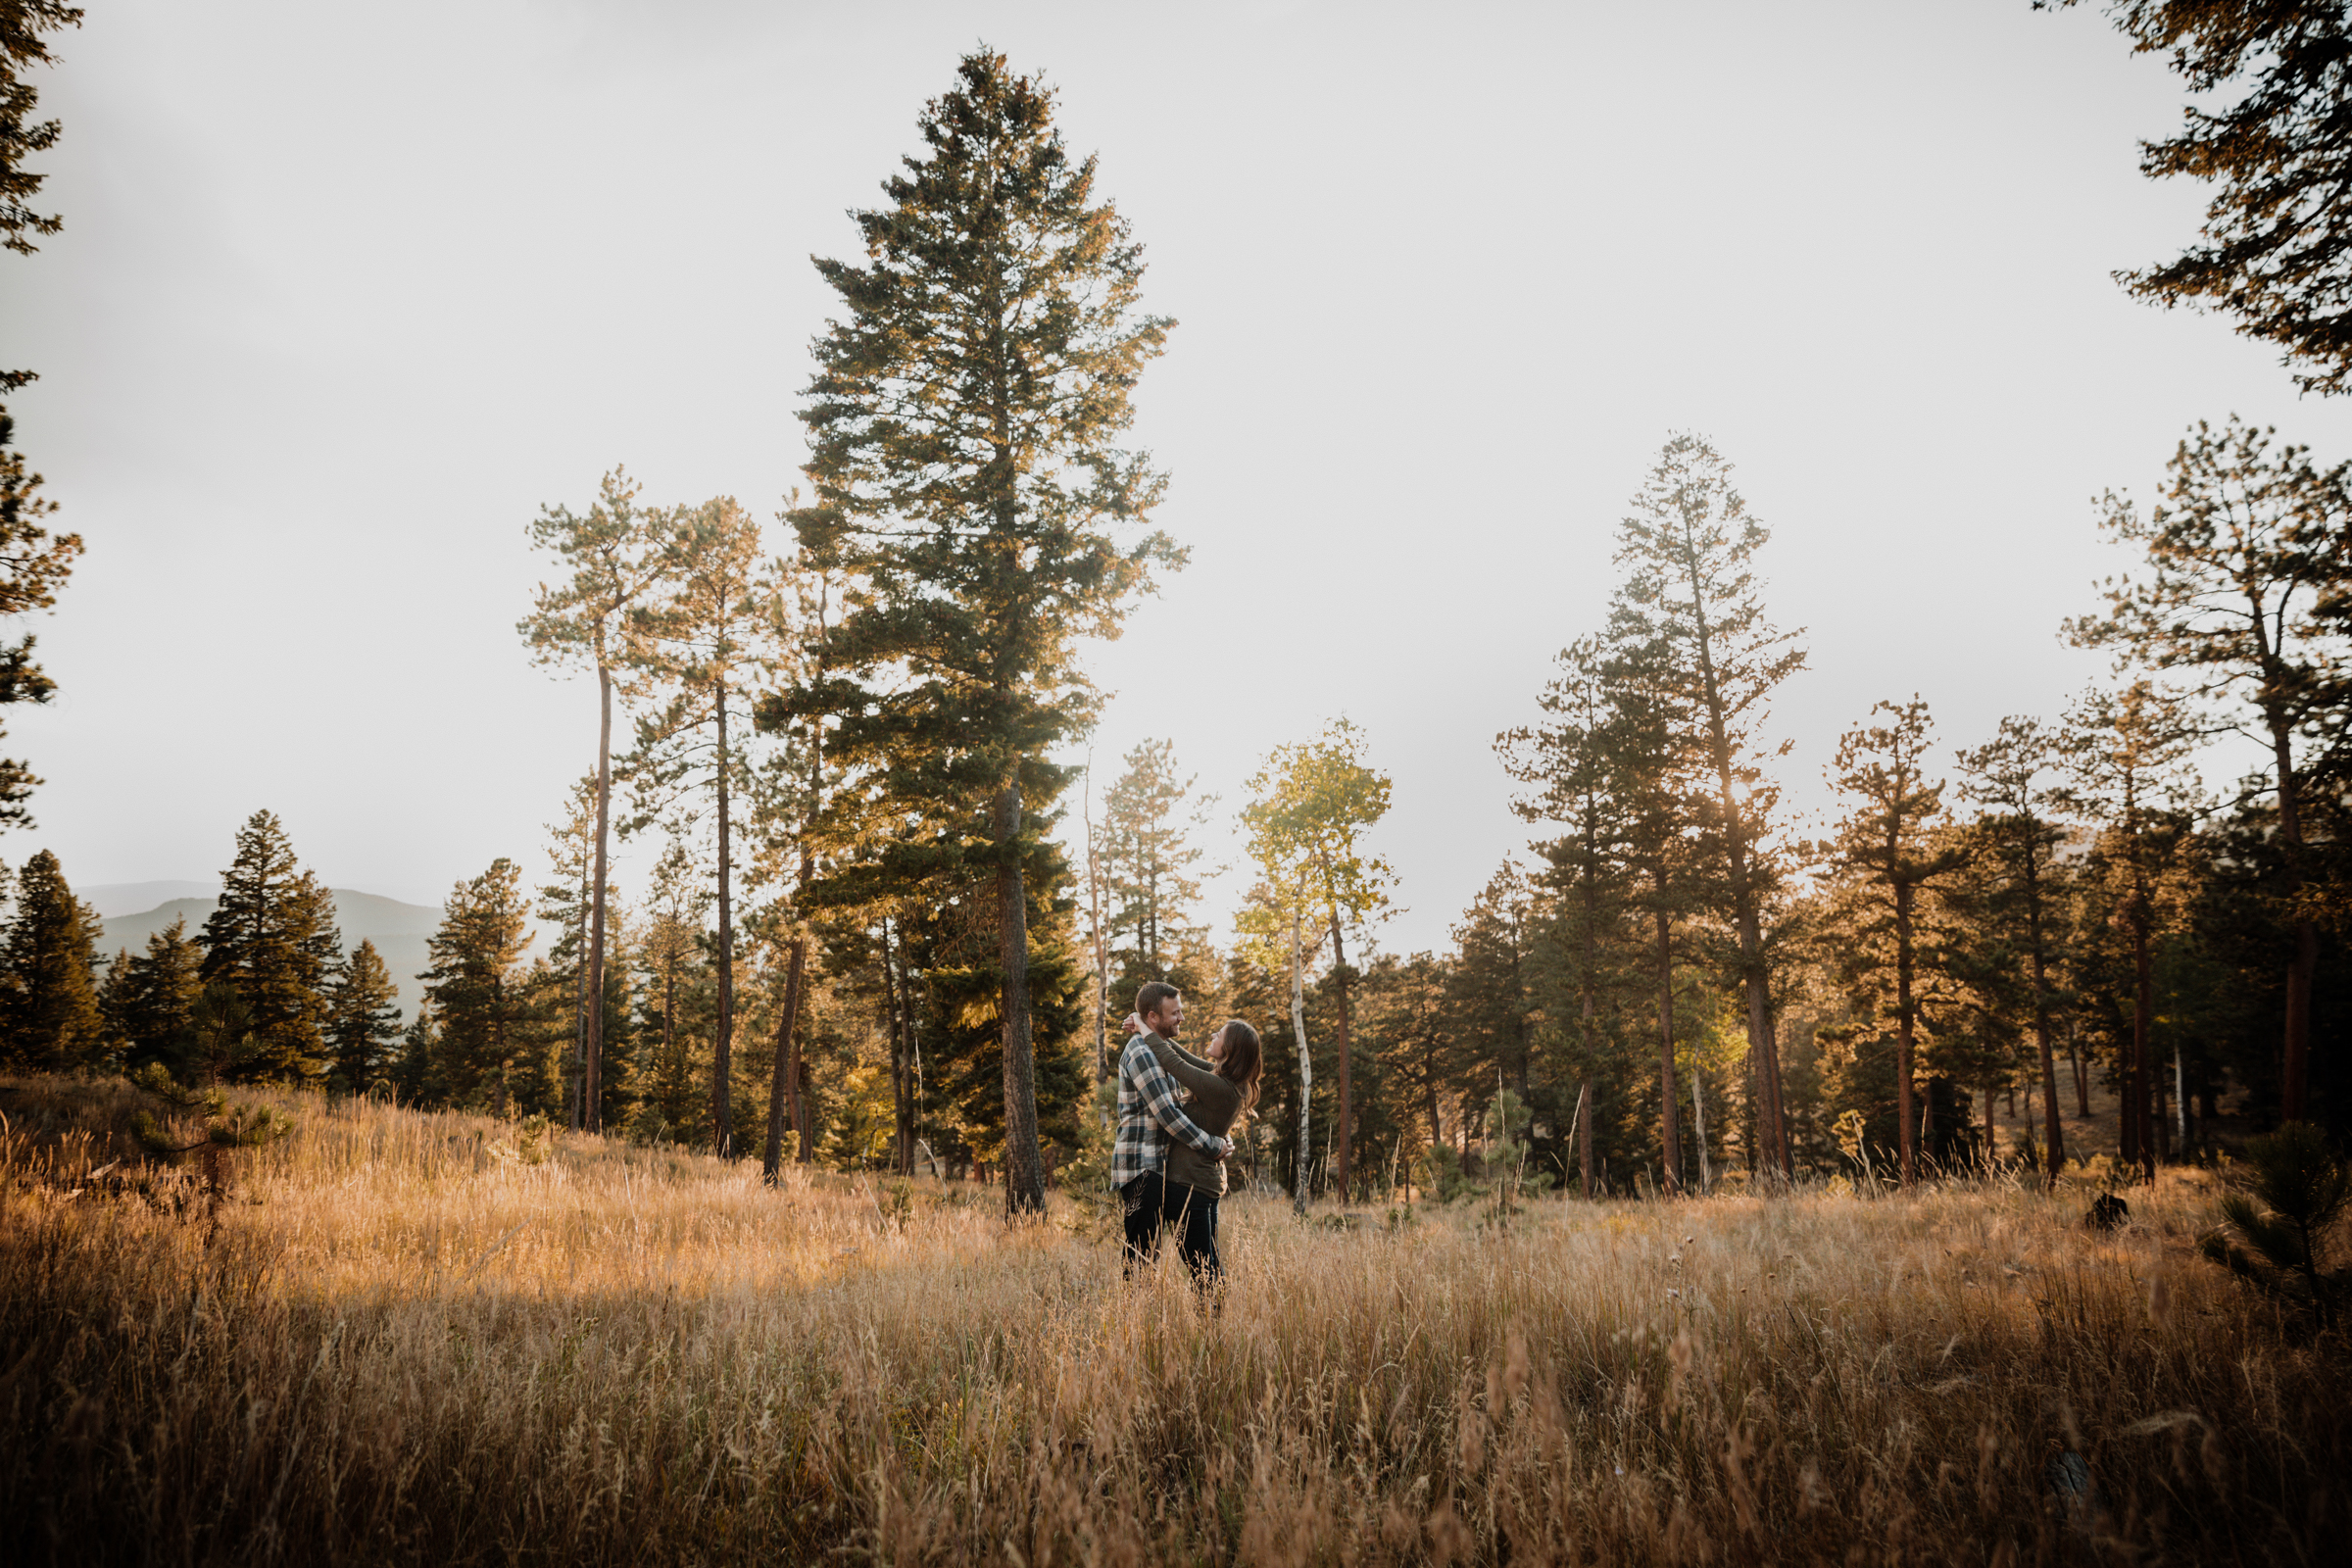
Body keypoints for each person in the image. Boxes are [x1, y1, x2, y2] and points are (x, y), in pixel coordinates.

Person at [1112, 982, 1232, 1277]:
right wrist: (1213, 1145)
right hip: (1142, 1170)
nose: (1181, 1018)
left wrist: (1222, 1134)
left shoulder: (1159, 1049)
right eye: (1174, 1013)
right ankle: (1134, 1319)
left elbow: (1188, 1105)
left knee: (1195, 1258)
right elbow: (1168, 1115)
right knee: (1141, 1258)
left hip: (1164, 1170)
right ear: (1154, 1017)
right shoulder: (1142, 1052)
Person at [1136, 1012, 1261, 1288]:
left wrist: (1144, 1029)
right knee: (1207, 1261)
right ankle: (1211, 1322)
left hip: (1189, 1186)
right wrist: (1156, 1033)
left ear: (1230, 1049)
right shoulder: (1225, 1080)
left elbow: (1173, 1063)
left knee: (1201, 1264)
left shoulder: (1220, 1087)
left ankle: (1209, 1323)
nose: (1213, 1035)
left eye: (1220, 1034)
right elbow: (1184, 1058)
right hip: (1201, 1182)